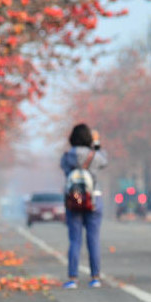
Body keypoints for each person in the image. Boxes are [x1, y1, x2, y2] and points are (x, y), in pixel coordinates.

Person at [60, 123, 108, 289]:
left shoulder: (67, 156)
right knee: (93, 239)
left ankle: (72, 278)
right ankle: (95, 277)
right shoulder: (94, 156)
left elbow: (64, 170)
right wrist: (96, 143)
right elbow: (104, 161)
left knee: (74, 240)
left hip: (73, 201)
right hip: (93, 200)